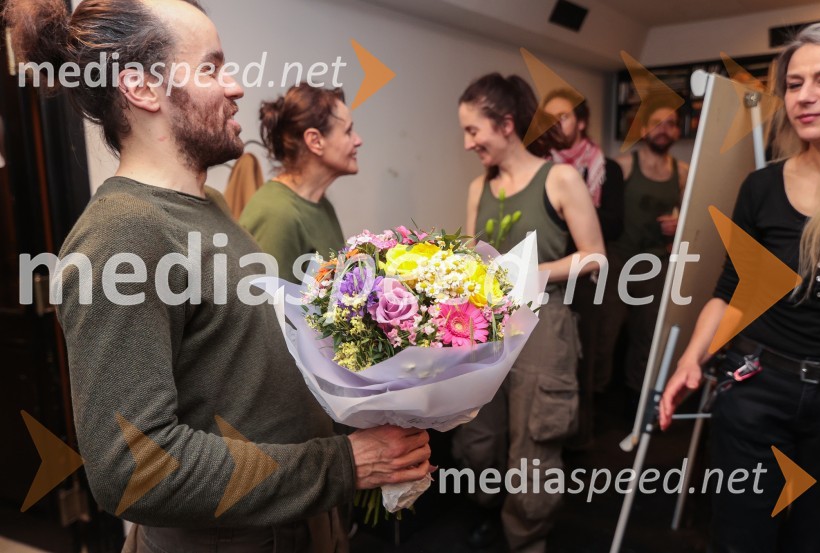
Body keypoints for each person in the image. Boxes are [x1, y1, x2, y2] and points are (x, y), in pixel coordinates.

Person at [5, 1, 431, 552]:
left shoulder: (204, 204)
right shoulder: (120, 236)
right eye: (211, 68)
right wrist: (343, 463)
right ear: (142, 89)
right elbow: (135, 468)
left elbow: (241, 369)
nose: (235, 87)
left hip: (294, 523)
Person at [660, 23, 820, 553]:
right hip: (758, 389)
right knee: (741, 539)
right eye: (795, 83)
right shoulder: (761, 186)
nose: (806, 97)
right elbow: (731, 288)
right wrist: (691, 361)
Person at [452, 73, 604, 553]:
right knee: (479, 435)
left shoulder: (559, 178)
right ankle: (485, 509)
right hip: (486, 326)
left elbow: (596, 257)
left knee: (534, 447)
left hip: (545, 325)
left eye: (473, 131)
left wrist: (534, 272)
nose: (467, 142)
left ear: (507, 124)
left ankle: (526, 535)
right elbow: (476, 255)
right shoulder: (480, 187)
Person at [543, 88, 624, 449]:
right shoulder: (540, 170)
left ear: (581, 121)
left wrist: (575, 209)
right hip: (547, 274)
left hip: (587, 276)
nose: (555, 125)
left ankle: (581, 436)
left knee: (585, 356)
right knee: (548, 358)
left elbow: (615, 223)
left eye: (562, 116)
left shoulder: (607, 169)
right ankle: (550, 434)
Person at [597, 98, 689, 399]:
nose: (664, 130)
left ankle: (636, 401)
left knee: (648, 336)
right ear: (644, 129)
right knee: (605, 333)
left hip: (655, 264)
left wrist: (680, 224)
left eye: (671, 124)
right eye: (657, 123)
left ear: (677, 132)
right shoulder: (622, 166)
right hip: (617, 260)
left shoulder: (683, 172)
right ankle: (596, 400)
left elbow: (695, 217)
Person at [240, 84, 361, 283]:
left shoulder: (322, 205)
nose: (358, 140)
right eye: (348, 132)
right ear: (315, 141)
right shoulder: (276, 214)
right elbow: (266, 307)